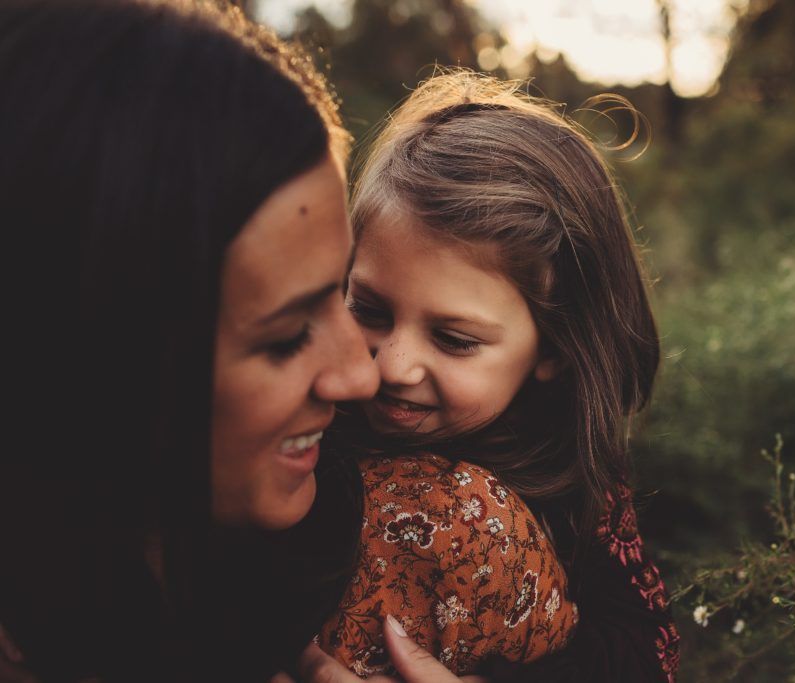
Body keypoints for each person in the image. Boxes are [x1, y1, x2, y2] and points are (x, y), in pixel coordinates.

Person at [0, 3, 498, 681]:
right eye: (289, 335)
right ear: (89, 352)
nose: (362, 373)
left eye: (339, 293)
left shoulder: (337, 516)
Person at [318, 71, 681, 681]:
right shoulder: (313, 407)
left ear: (555, 348)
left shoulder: (571, 477)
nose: (393, 365)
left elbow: (649, 654)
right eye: (370, 310)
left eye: (454, 340)